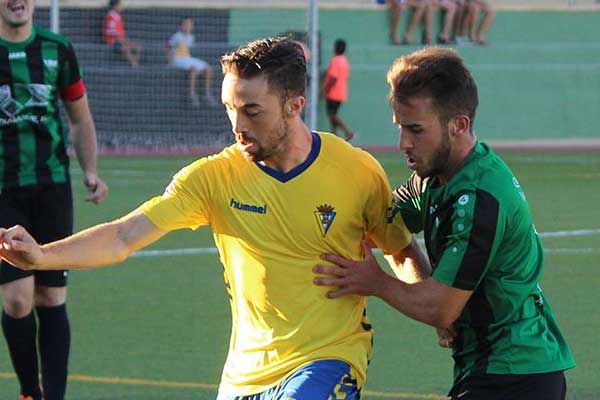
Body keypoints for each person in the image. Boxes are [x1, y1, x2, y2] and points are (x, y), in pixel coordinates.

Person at [0, 37, 428, 400]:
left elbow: (400, 249)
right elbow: (123, 235)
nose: (236, 124)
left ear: (294, 106)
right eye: (229, 107)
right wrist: (40, 257)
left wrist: (438, 312)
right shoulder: (213, 178)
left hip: (329, 358)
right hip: (243, 376)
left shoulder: (356, 171)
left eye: (252, 111)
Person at [313, 47, 575, 400]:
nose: (403, 143)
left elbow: (440, 307)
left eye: (416, 130)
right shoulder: (432, 178)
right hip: (490, 366)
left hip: (515, 374)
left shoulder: (480, 197)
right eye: (401, 128)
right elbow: (382, 227)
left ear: (459, 124)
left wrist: (375, 282)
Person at [0, 1, 109, 399]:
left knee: (51, 296)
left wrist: (90, 171)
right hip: (3, 190)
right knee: (16, 299)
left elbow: (79, 118)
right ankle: (31, 391)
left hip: (52, 188)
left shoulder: (57, 49)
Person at [167, 17, 215, 106]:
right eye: (186, 24)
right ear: (181, 26)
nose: (188, 26)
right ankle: (192, 94)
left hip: (187, 58)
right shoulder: (176, 36)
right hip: (177, 59)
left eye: (190, 24)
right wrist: (170, 62)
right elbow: (168, 48)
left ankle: (207, 94)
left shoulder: (191, 37)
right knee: (194, 69)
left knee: (208, 68)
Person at [322, 39, 355, 141]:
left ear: (335, 48)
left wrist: (325, 90)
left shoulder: (335, 60)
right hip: (341, 92)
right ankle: (335, 136)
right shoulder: (345, 61)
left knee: (332, 115)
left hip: (333, 93)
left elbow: (333, 77)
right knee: (332, 116)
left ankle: (348, 132)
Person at [102, 0, 142, 66]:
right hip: (113, 41)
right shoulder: (110, 16)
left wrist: (124, 40)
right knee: (125, 48)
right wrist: (122, 40)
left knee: (138, 47)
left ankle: (135, 63)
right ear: (115, 6)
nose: (121, 7)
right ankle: (133, 63)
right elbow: (111, 31)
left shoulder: (117, 16)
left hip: (120, 40)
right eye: (119, 5)